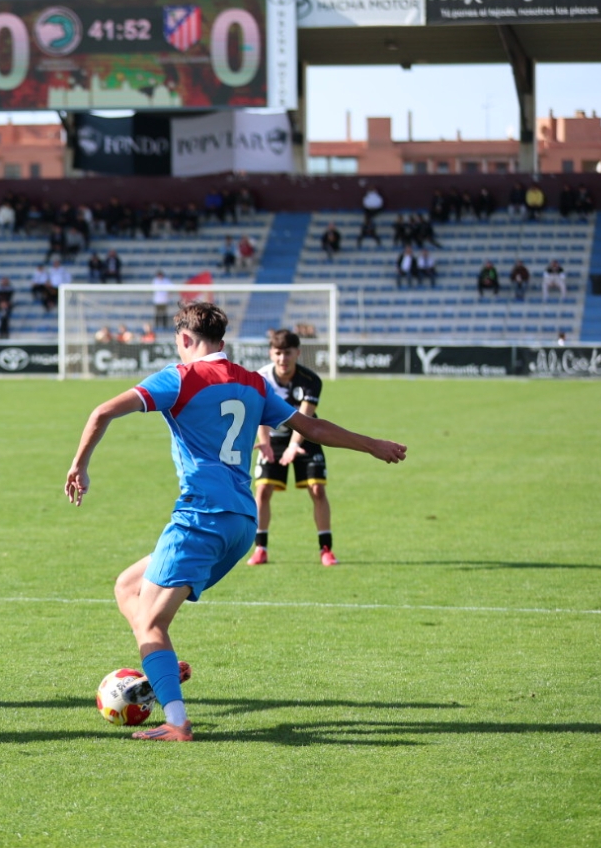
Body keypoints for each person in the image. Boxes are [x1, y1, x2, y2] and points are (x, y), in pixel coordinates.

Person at [65, 302, 406, 741]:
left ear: (185, 340)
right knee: (127, 587)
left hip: (200, 518)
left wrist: (80, 466)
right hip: (242, 524)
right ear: (222, 342)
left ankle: (176, 721)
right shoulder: (253, 382)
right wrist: (372, 444)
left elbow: (101, 412)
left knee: (150, 624)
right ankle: (160, 673)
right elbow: (313, 428)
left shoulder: (179, 377)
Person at [249, 330, 335, 567]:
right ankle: (260, 549)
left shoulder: (311, 381)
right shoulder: (261, 378)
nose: (282, 359)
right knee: (263, 491)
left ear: (297, 353)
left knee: (317, 489)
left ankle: (326, 549)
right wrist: (265, 442)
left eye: (287, 353)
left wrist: (294, 446)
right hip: (273, 436)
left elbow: (306, 418)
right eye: (277, 353)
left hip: (306, 435)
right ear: (271, 353)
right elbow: (260, 413)